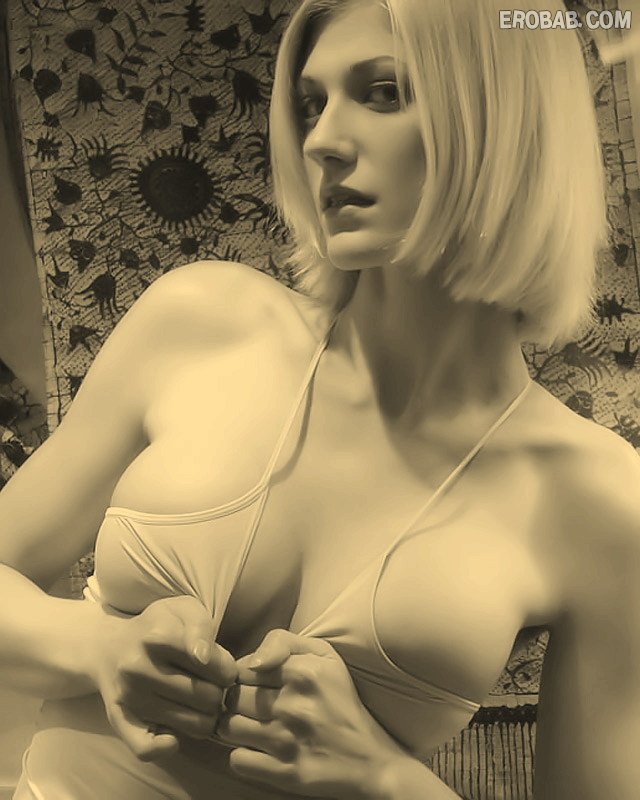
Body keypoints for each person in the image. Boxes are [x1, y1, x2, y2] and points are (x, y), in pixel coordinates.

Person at [1, 0, 639, 797]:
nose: (322, 141)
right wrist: (97, 649)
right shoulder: (200, 323)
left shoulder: (598, 498)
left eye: (384, 93)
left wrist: (385, 779)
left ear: (506, 121)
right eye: (311, 104)